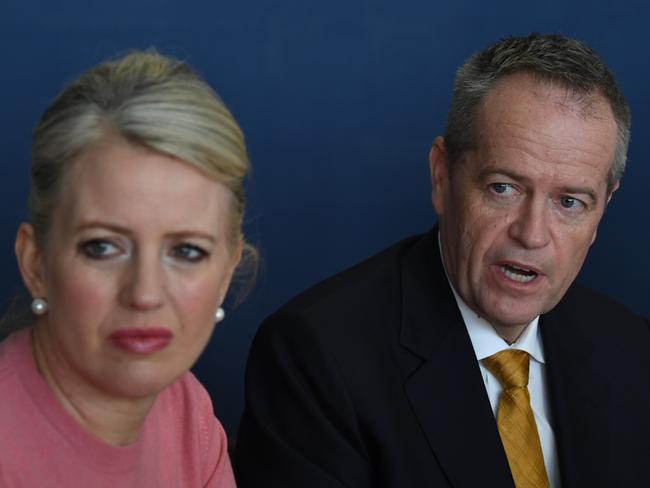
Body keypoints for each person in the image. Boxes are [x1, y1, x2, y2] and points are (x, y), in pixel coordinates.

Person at [234, 33, 650, 487]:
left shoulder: (631, 350)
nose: (532, 234)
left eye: (569, 202)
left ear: (603, 209)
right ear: (441, 176)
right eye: (503, 188)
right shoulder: (318, 357)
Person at [0, 50, 253, 487]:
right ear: (35, 262)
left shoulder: (185, 409)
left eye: (187, 251)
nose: (145, 293)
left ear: (226, 274)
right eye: (102, 247)